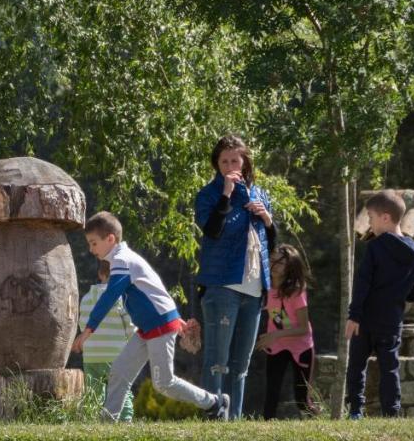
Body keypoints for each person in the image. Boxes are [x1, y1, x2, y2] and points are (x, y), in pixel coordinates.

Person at [71, 212, 229, 422]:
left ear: (110, 239)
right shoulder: (125, 258)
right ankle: (107, 423)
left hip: (160, 327)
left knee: (164, 383)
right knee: (119, 372)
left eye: (93, 243)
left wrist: (87, 331)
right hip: (148, 328)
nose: (91, 250)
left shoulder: (122, 259)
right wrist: (175, 317)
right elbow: (155, 288)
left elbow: (110, 296)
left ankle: (215, 403)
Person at [193, 134, 275, 419]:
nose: (230, 166)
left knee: (241, 364)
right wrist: (226, 195)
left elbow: (270, 246)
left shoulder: (260, 194)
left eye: (235, 161)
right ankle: (213, 419)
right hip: (221, 287)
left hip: (253, 290)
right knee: (217, 361)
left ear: (245, 162)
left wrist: (267, 219)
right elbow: (212, 230)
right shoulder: (208, 195)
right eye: (224, 161)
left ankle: (234, 423)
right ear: (217, 164)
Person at [345, 190, 414, 419]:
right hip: (392, 318)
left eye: (371, 217)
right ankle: (391, 412)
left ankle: (355, 411)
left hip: (366, 318)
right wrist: (400, 293)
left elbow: (362, 283)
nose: (369, 223)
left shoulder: (375, 247)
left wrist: (354, 316)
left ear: (385, 217)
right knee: (389, 367)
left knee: (357, 366)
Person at [256, 244, 316, 420]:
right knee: (271, 392)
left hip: (301, 347)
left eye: (280, 262)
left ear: (290, 266)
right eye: (272, 260)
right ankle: (266, 429)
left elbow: (304, 329)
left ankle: (316, 425)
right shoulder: (265, 288)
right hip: (277, 347)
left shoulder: (297, 292)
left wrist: (275, 335)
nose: (274, 265)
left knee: (301, 399)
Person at [78, 258, 135, 421]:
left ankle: (95, 421)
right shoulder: (121, 297)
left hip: (92, 355)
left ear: (100, 274)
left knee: (94, 392)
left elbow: (83, 325)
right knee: (122, 389)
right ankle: (125, 421)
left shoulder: (87, 298)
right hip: (116, 355)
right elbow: (130, 326)